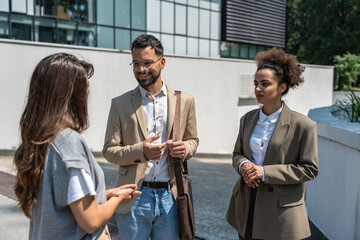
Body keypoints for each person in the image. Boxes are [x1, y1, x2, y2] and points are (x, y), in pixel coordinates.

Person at [13, 53, 141, 240]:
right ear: (68, 94)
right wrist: (118, 199)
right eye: (85, 87)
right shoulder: (68, 142)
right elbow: (90, 220)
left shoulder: (40, 140)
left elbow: (66, 201)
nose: (88, 93)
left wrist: (104, 194)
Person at [102, 34, 199, 240]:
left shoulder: (185, 101)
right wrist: (141, 151)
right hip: (134, 196)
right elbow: (109, 150)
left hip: (170, 197)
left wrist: (185, 149)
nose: (141, 69)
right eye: (136, 64)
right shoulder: (120, 104)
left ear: (162, 62)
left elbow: (193, 141)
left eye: (147, 63)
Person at [226, 48, 319, 240]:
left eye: (265, 84)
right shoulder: (247, 119)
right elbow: (237, 154)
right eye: (256, 83)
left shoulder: (303, 125)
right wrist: (244, 165)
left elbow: (309, 169)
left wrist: (264, 172)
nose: (258, 89)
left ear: (282, 88)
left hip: (281, 213)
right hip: (247, 205)